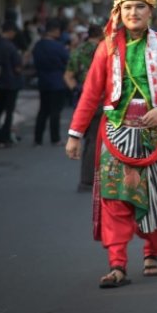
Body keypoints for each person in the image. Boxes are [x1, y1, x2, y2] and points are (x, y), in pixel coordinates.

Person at [65, 0, 157, 288]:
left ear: (150, 11)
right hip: (116, 132)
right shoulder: (105, 48)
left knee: (156, 195)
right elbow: (90, 93)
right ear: (117, 12)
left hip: (156, 132)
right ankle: (117, 264)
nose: (133, 13)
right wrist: (75, 133)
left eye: (139, 7)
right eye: (127, 7)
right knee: (114, 197)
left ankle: (152, 252)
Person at [64, 24, 104, 192]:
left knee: (89, 139)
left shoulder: (78, 51)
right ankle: (89, 180)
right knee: (96, 140)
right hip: (101, 99)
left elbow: (68, 76)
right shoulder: (104, 50)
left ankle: (88, 179)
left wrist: (78, 91)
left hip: (84, 98)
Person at [32, 18, 70, 146]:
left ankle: (38, 138)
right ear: (54, 31)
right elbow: (67, 61)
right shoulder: (58, 47)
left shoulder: (38, 45)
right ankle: (55, 138)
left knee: (43, 110)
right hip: (57, 81)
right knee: (55, 112)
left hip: (43, 81)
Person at [0, 21, 24, 147]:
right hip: (11, 83)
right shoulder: (11, 47)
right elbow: (17, 66)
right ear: (10, 32)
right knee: (9, 111)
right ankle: (5, 137)